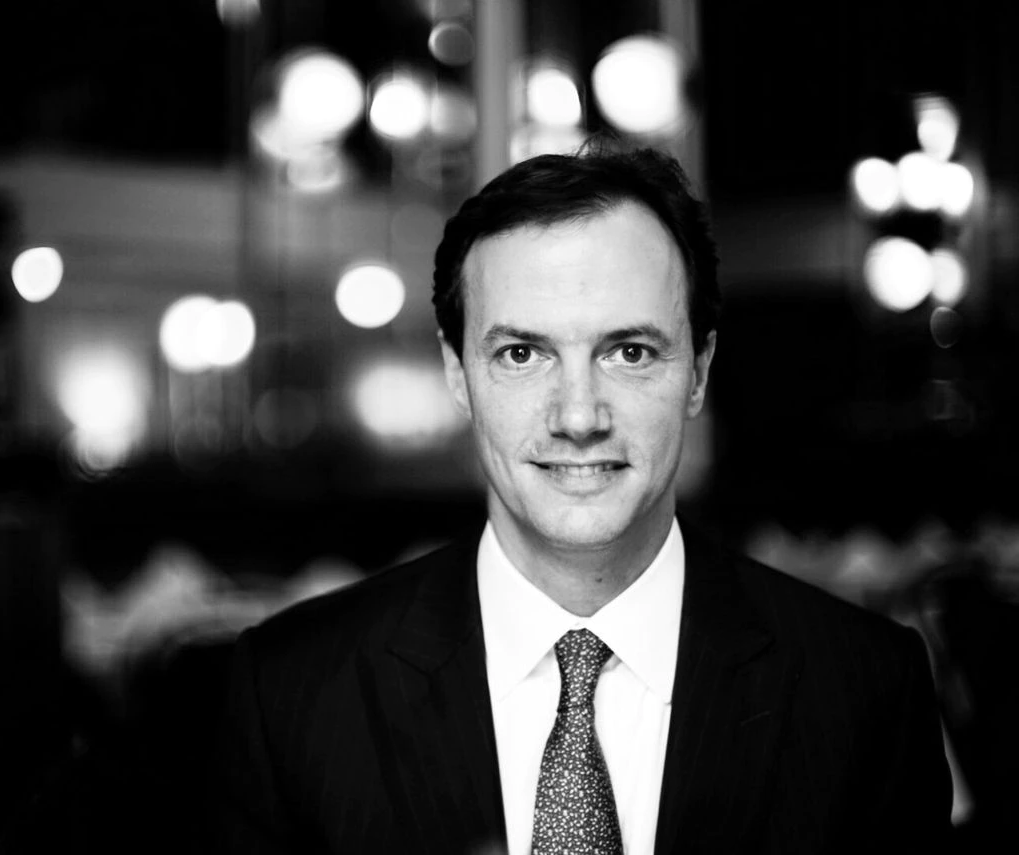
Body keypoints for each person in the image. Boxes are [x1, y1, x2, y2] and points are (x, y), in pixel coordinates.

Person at [209, 142, 953, 854]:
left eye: (629, 351)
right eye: (522, 354)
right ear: (458, 374)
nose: (577, 417)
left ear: (698, 370)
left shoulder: (865, 691)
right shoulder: (292, 692)